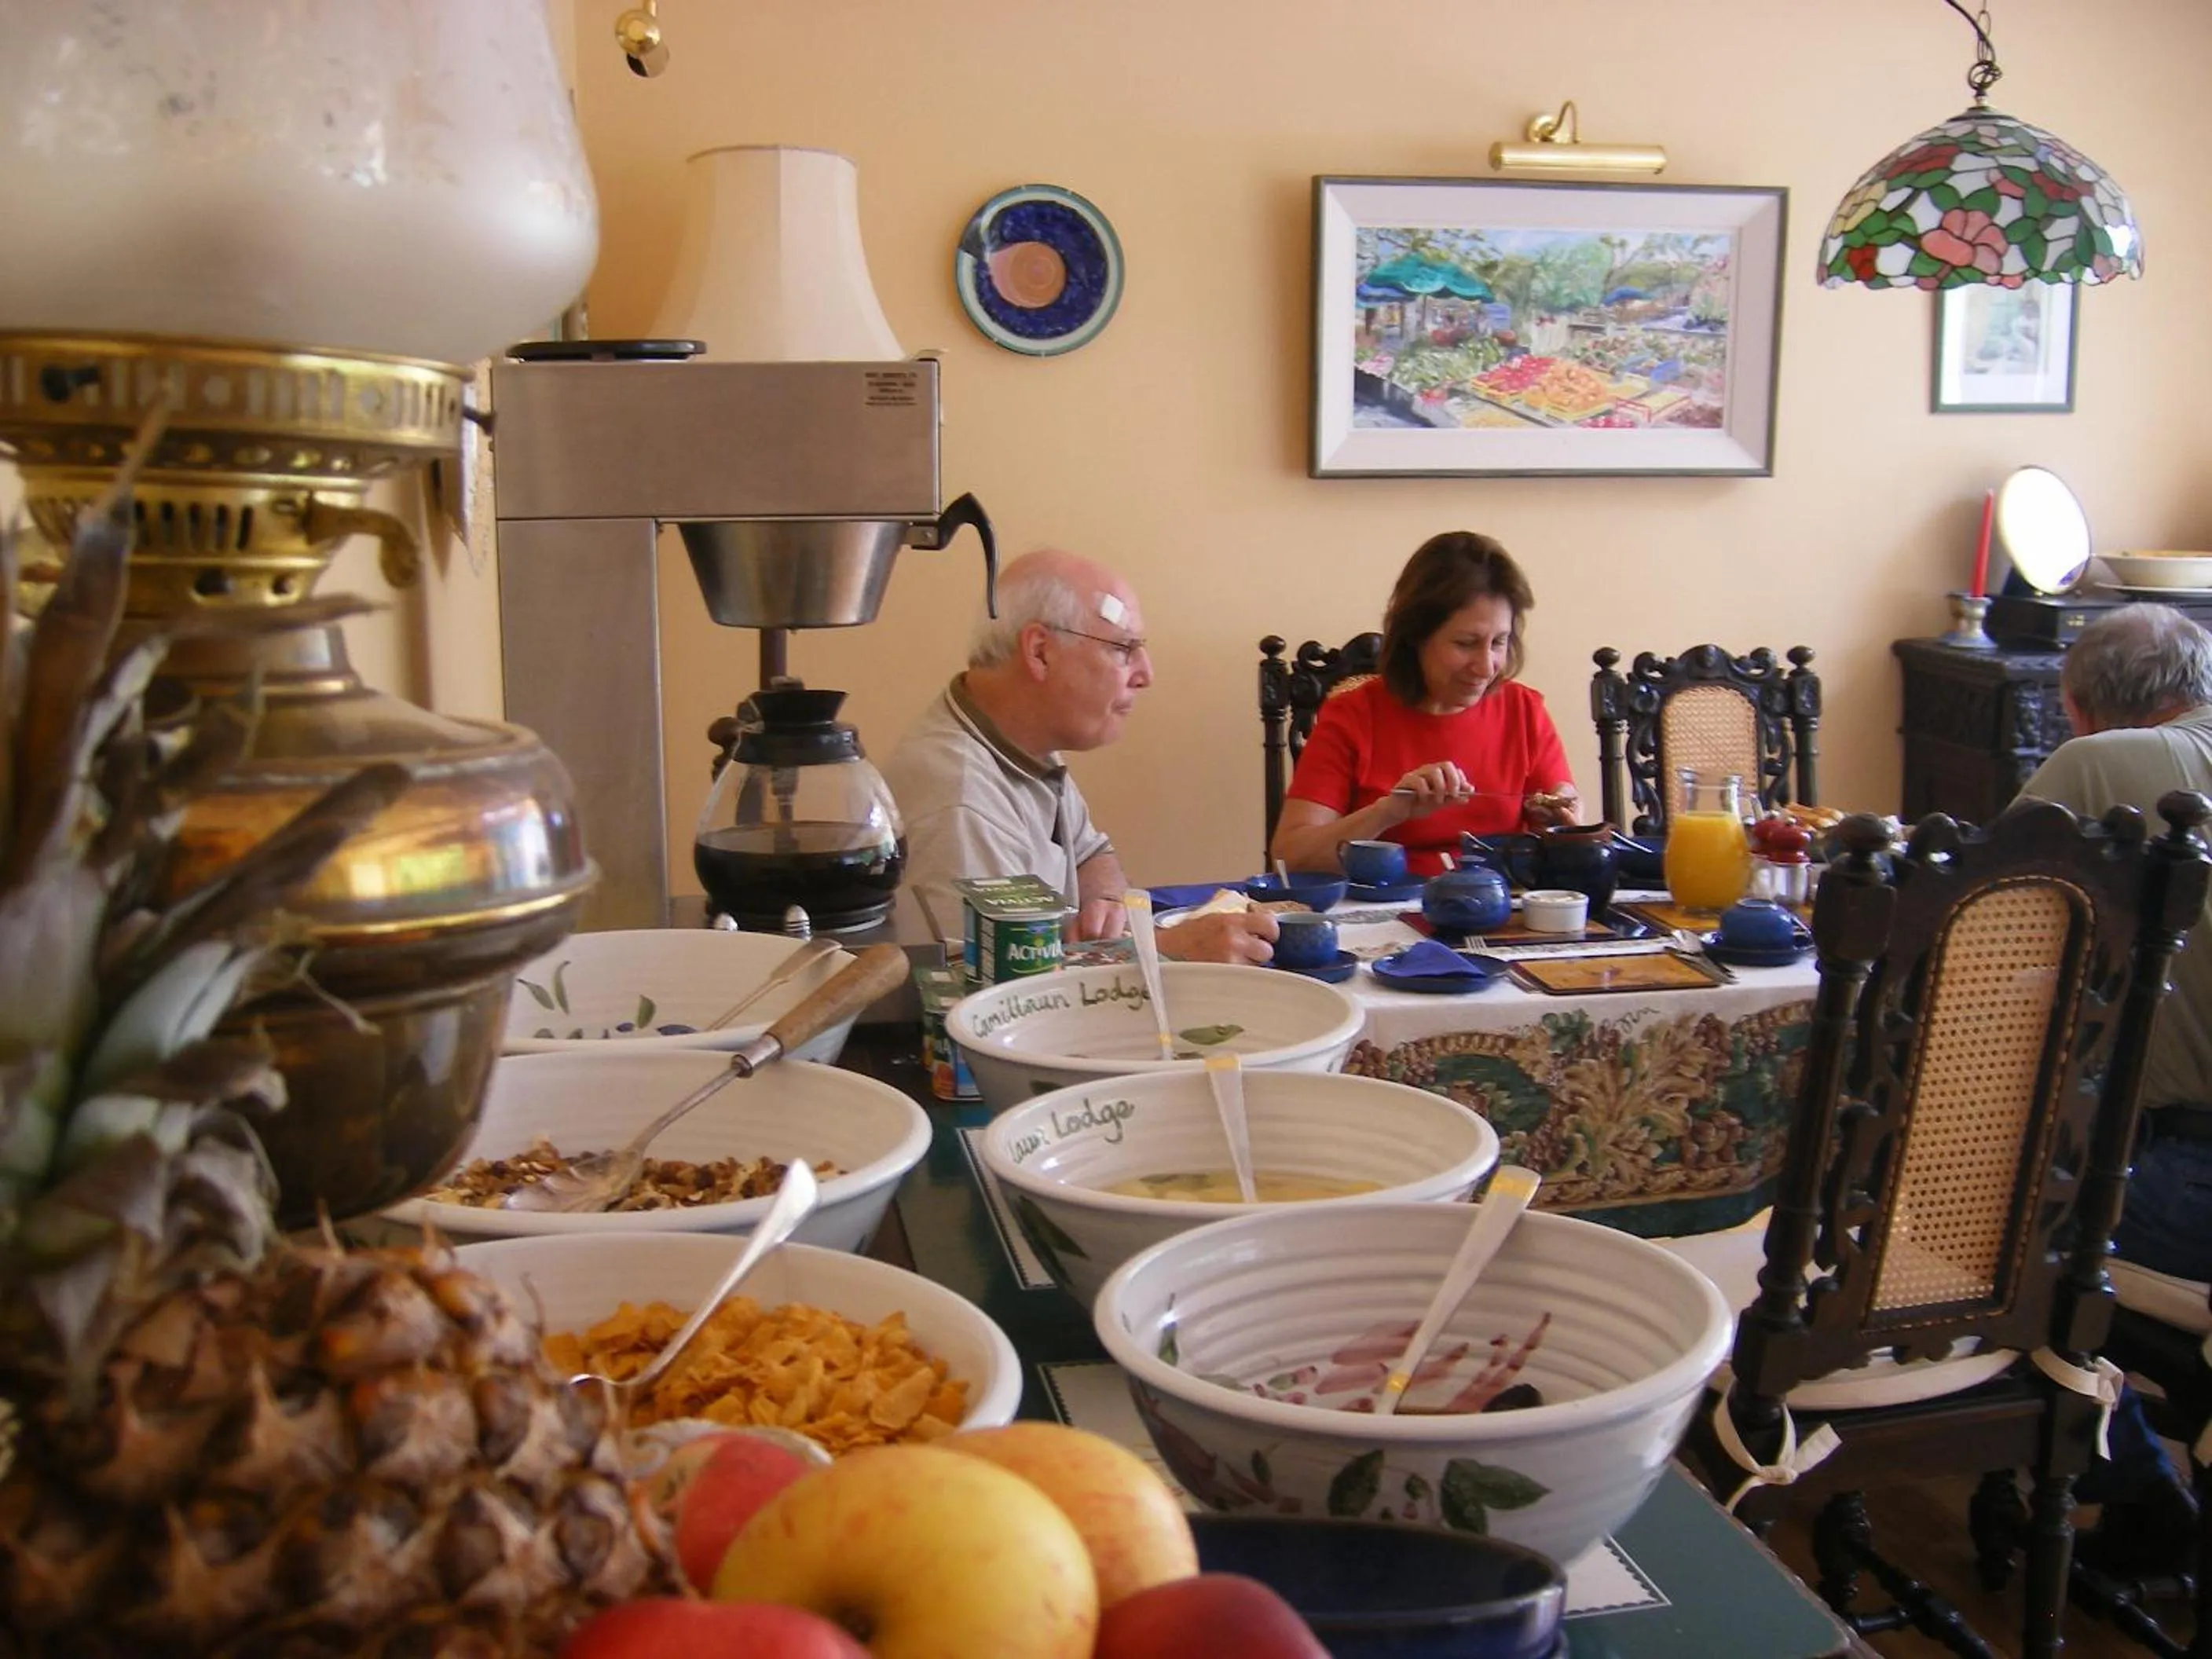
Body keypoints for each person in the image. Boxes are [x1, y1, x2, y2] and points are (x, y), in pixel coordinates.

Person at [2016, 602, 2212, 1573]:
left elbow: (1975, 945)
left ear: (2077, 707)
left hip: (2195, 1175)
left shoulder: (2102, 766)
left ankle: (2135, 1495)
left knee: (1984, 1233)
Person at [881, 548, 1277, 965]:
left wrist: (1104, 900)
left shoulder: (1018, 739)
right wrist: (1168, 951)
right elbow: (992, 996)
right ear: (1040, 652)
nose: (1146, 674)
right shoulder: (960, 802)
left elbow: (1091, 854)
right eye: (1124, 649)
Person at [1269, 531, 1581, 878]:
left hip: (1502, 914)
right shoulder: (1353, 716)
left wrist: (1561, 820)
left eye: (1499, 642)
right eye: (1466, 643)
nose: (1487, 666)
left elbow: (1560, 832)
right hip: (1384, 917)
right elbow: (1290, 857)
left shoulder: (1525, 711)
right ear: (1415, 636)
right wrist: (1389, 811)